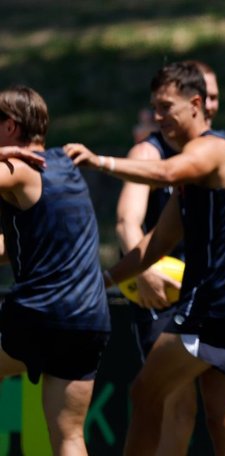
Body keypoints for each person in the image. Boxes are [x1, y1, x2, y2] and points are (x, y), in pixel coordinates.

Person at [66, 61, 225, 456]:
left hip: (219, 311)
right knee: (223, 424)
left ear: (195, 103)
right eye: (154, 107)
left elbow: (163, 172)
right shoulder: (192, 175)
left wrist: (100, 162)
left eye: (166, 107)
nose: (158, 117)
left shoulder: (210, 150)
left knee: (145, 393)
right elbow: (155, 245)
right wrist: (102, 281)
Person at [0, 85, 109, 455]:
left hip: (42, 313)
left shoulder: (17, 166)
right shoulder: (66, 166)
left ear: (10, 128)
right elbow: (32, 241)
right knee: (69, 436)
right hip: (88, 319)